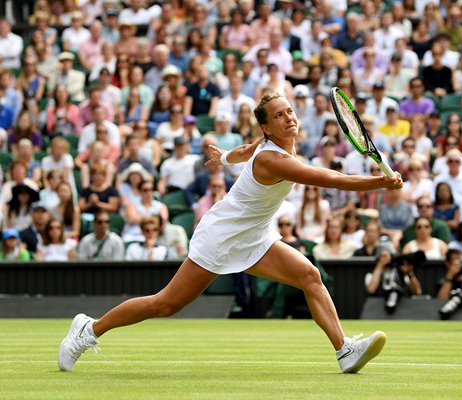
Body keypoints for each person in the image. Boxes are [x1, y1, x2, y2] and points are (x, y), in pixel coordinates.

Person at [58, 90, 401, 374]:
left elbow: (243, 150)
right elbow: (331, 179)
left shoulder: (265, 146)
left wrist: (224, 159)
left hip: (256, 235)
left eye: (290, 111)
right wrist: (380, 182)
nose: (289, 118)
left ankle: (344, 351)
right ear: (267, 128)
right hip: (221, 236)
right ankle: (89, 329)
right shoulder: (275, 160)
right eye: (279, 115)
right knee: (166, 304)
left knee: (310, 275)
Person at [436, 248, 462, 320]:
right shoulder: (442, 281)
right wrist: (449, 277)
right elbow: (440, 300)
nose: (459, 265)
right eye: (456, 262)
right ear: (447, 263)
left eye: (461, 261)